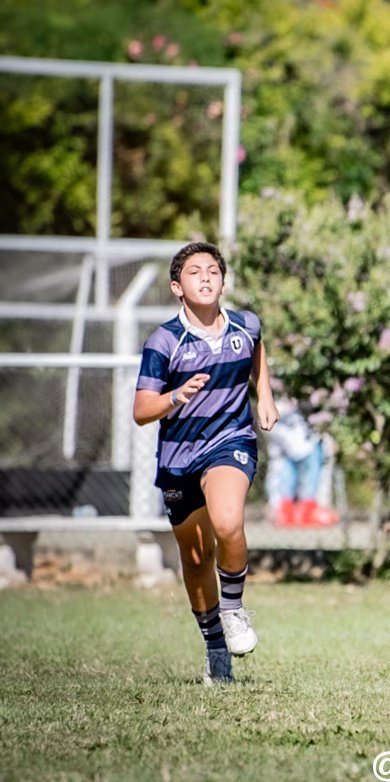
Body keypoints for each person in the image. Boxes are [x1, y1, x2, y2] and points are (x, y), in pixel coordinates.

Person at [133, 241, 279, 686]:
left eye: (213, 270)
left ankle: (233, 608)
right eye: (195, 272)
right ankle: (215, 647)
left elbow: (256, 351)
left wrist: (265, 395)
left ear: (222, 280)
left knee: (229, 521)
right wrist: (176, 397)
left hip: (230, 442)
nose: (206, 277)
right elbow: (141, 410)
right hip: (178, 457)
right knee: (196, 560)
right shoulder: (164, 341)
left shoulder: (245, 324)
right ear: (178, 287)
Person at [265, 396, 337, 528]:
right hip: (288, 446)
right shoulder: (278, 402)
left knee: (311, 479)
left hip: (307, 444)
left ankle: (306, 514)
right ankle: (287, 515)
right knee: (286, 478)